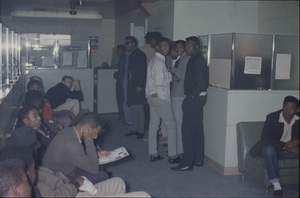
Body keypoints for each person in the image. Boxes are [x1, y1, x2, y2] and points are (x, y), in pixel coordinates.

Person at [171, 36, 209, 171]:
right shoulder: (196, 59)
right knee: (198, 130)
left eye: (189, 46)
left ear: (196, 47)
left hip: (194, 98)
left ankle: (187, 163)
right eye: (186, 45)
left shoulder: (196, 61)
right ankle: (198, 160)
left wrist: (191, 96)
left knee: (186, 131)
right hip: (198, 98)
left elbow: (202, 83)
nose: (186, 48)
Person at [249, 96, 299, 197]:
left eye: (292, 108)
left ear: (297, 109)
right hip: (273, 150)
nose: (288, 110)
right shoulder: (272, 117)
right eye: (286, 107)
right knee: (268, 150)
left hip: (289, 153)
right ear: (282, 106)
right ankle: (277, 187)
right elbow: (265, 139)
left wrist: (297, 141)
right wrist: (287, 145)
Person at [42, 112, 110, 185]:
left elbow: (76, 155)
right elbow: (94, 169)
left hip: (60, 170)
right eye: (95, 133)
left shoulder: (68, 130)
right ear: (87, 127)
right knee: (102, 175)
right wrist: (89, 140)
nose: (96, 137)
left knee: (99, 165)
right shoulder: (72, 145)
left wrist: (96, 154)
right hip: (57, 180)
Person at [145, 37, 181, 164]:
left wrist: (170, 77)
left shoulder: (154, 60)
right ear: (158, 47)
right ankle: (173, 156)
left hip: (152, 97)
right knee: (171, 126)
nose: (167, 49)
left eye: (168, 46)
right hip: (160, 98)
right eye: (164, 46)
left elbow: (158, 79)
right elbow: (160, 82)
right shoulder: (159, 62)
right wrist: (171, 79)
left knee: (153, 125)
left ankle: (153, 154)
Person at [123, 36, 147, 139]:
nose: (126, 45)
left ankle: (141, 131)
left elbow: (142, 71)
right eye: (126, 43)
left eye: (128, 43)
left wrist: (140, 85)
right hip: (132, 86)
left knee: (139, 110)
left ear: (133, 43)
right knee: (133, 109)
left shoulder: (140, 54)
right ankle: (134, 129)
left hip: (138, 86)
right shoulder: (131, 55)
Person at [170, 40, 190, 156]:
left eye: (180, 47)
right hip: (176, 93)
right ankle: (176, 148)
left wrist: (172, 69)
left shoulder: (186, 58)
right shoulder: (181, 58)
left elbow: (183, 75)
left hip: (180, 95)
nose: (178, 49)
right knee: (176, 123)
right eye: (176, 48)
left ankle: (179, 150)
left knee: (178, 124)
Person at [113, 45, 126, 120]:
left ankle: (121, 114)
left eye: (119, 51)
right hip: (124, 81)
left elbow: (121, 72)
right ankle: (123, 114)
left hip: (120, 81)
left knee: (120, 98)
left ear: (124, 51)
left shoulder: (122, 60)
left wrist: (115, 74)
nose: (118, 53)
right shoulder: (126, 58)